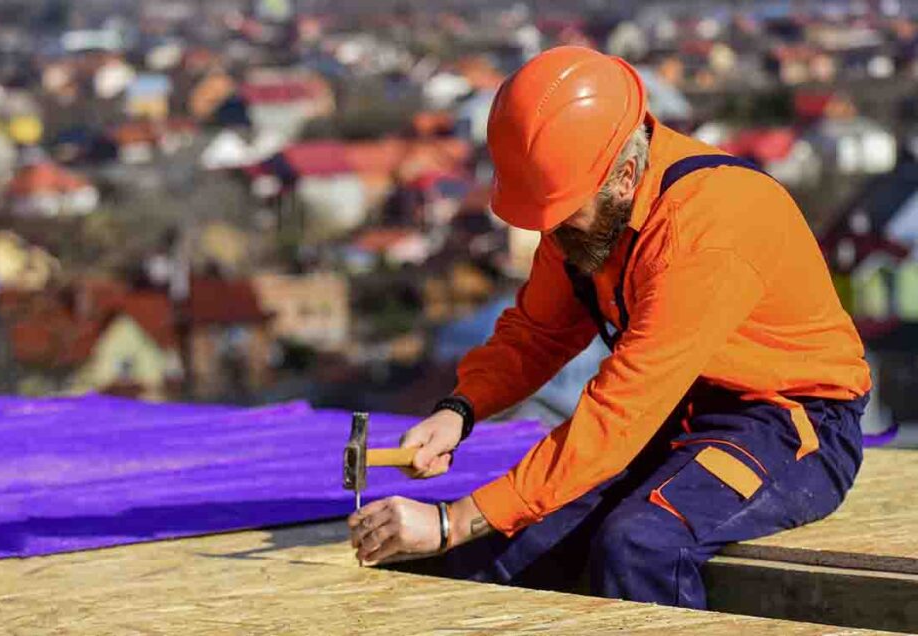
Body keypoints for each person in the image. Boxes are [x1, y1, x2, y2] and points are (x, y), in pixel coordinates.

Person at [347, 46, 871, 609]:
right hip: (679, 413)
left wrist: (452, 521)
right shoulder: (583, 210)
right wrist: (460, 410)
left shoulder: (709, 231)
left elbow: (622, 410)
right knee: (495, 551)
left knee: (641, 545)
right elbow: (538, 332)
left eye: (558, 217)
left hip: (788, 424)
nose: (550, 235)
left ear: (624, 177)